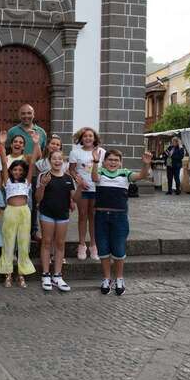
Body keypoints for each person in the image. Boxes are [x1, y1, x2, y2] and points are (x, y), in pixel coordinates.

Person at [92, 149, 152, 296]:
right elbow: (94, 178)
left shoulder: (125, 173)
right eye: (110, 160)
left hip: (119, 217)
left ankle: (119, 278)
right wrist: (94, 162)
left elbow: (142, 175)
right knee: (103, 249)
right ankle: (106, 279)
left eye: (116, 160)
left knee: (119, 249)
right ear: (104, 161)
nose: (112, 163)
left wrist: (145, 165)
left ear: (120, 162)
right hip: (101, 216)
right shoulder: (99, 172)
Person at [36, 150, 83, 292]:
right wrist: (43, 185)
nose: (57, 161)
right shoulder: (44, 176)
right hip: (47, 214)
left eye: (60, 159)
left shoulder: (68, 178)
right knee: (46, 242)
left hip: (63, 215)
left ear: (63, 161)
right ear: (50, 161)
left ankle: (57, 275)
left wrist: (80, 186)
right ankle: (45, 274)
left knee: (60, 244)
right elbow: (38, 199)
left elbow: (75, 199)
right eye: (54, 159)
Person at [69, 127, 105, 261]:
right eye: (85, 136)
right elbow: (71, 170)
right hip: (83, 188)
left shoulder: (102, 152)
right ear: (81, 139)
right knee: (83, 216)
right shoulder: (75, 152)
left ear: (95, 138)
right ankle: (82, 244)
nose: (88, 138)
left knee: (94, 217)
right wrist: (79, 181)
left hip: (97, 188)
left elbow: (106, 168)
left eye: (90, 136)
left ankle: (94, 246)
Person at [0, 160, 35, 288]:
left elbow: (32, 163)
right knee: (8, 243)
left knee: (24, 243)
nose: (17, 172)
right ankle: (8, 273)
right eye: (15, 169)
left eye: (20, 170)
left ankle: (21, 274)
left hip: (24, 212)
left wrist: (36, 144)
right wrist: (2, 144)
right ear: (11, 171)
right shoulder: (7, 182)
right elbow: (3, 163)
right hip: (10, 212)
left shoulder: (26, 182)